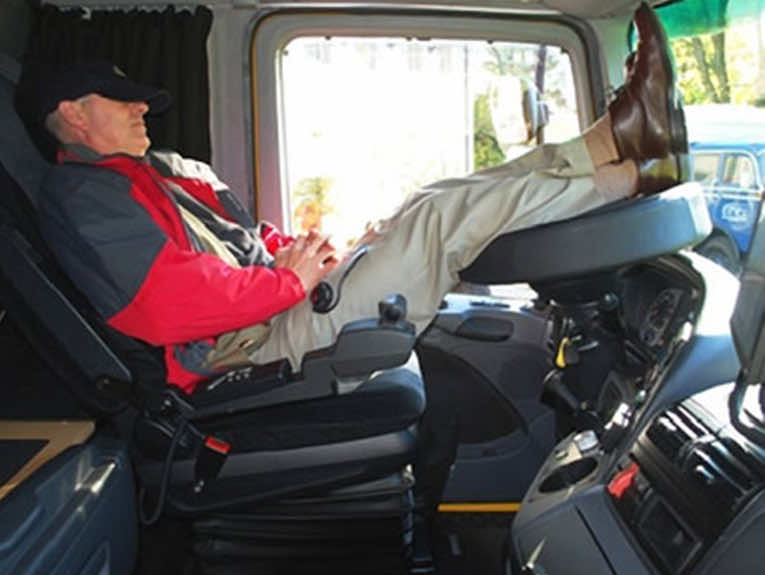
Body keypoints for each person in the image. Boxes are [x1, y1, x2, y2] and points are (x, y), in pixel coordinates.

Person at [20, 3, 683, 517]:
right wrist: (290, 280)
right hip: (239, 349)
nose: (142, 107)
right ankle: (630, 175)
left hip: (268, 308)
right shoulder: (85, 195)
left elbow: (244, 241)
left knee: (429, 195)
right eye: (121, 99)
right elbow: (168, 305)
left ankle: (613, 142)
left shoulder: (157, 172)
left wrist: (314, 251)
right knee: (438, 219)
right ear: (73, 116)